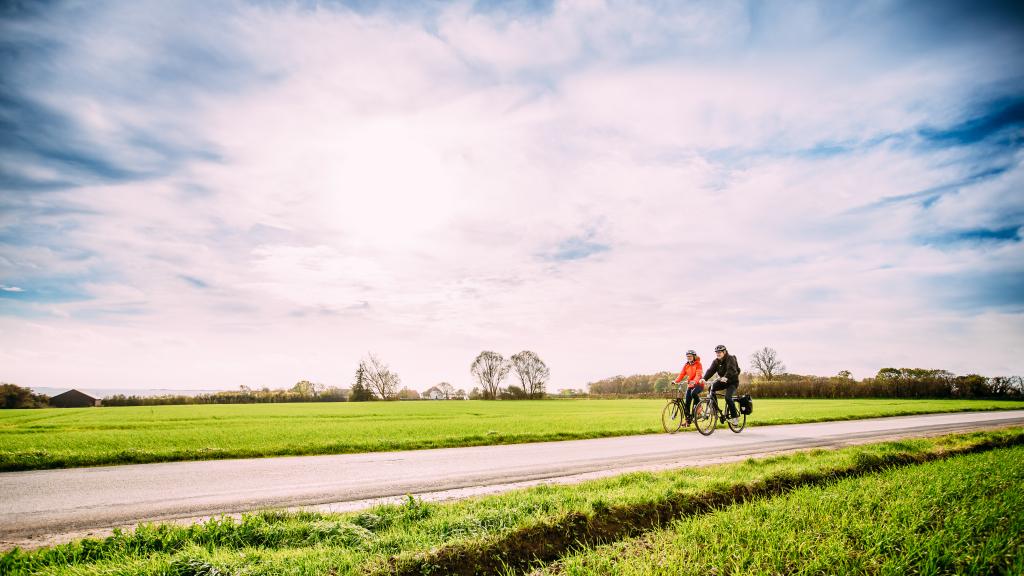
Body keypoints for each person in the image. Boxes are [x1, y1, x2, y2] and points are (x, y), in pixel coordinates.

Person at [704, 344, 741, 425]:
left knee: (728, 397)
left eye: (720, 352)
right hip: (723, 381)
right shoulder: (716, 361)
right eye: (717, 352)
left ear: (724, 352)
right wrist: (704, 378)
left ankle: (735, 418)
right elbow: (710, 370)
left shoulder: (730, 358)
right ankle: (715, 409)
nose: (718, 354)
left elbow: (731, 369)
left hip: (732, 382)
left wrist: (726, 377)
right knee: (711, 388)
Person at [672, 350, 704, 426]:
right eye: (687, 356)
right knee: (687, 403)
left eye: (690, 356)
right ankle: (688, 420)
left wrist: (695, 381)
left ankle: (699, 406)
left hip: (699, 384)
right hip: (690, 385)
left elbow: (698, 374)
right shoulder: (686, 365)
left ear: (694, 356)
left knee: (693, 393)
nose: (689, 358)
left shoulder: (698, 364)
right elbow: (682, 374)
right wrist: (676, 381)